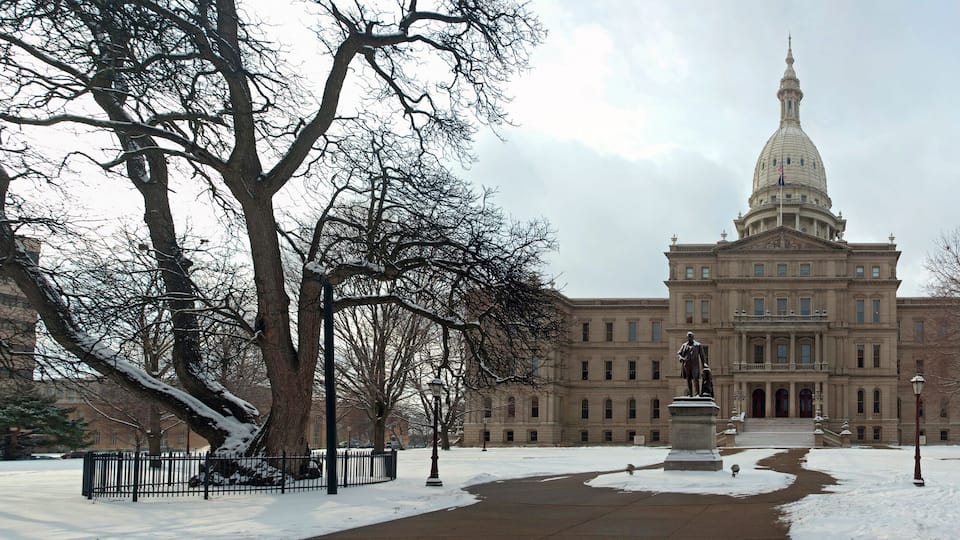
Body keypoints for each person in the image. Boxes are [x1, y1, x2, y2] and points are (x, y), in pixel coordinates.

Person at [677, 331, 707, 397]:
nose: (689, 338)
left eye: (691, 336)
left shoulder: (698, 345)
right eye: (688, 336)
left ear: (693, 337)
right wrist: (681, 358)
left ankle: (697, 393)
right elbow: (679, 353)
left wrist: (704, 364)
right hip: (687, 365)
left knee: (695, 379)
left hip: (695, 365)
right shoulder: (684, 345)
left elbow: (702, 355)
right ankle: (690, 394)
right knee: (688, 379)